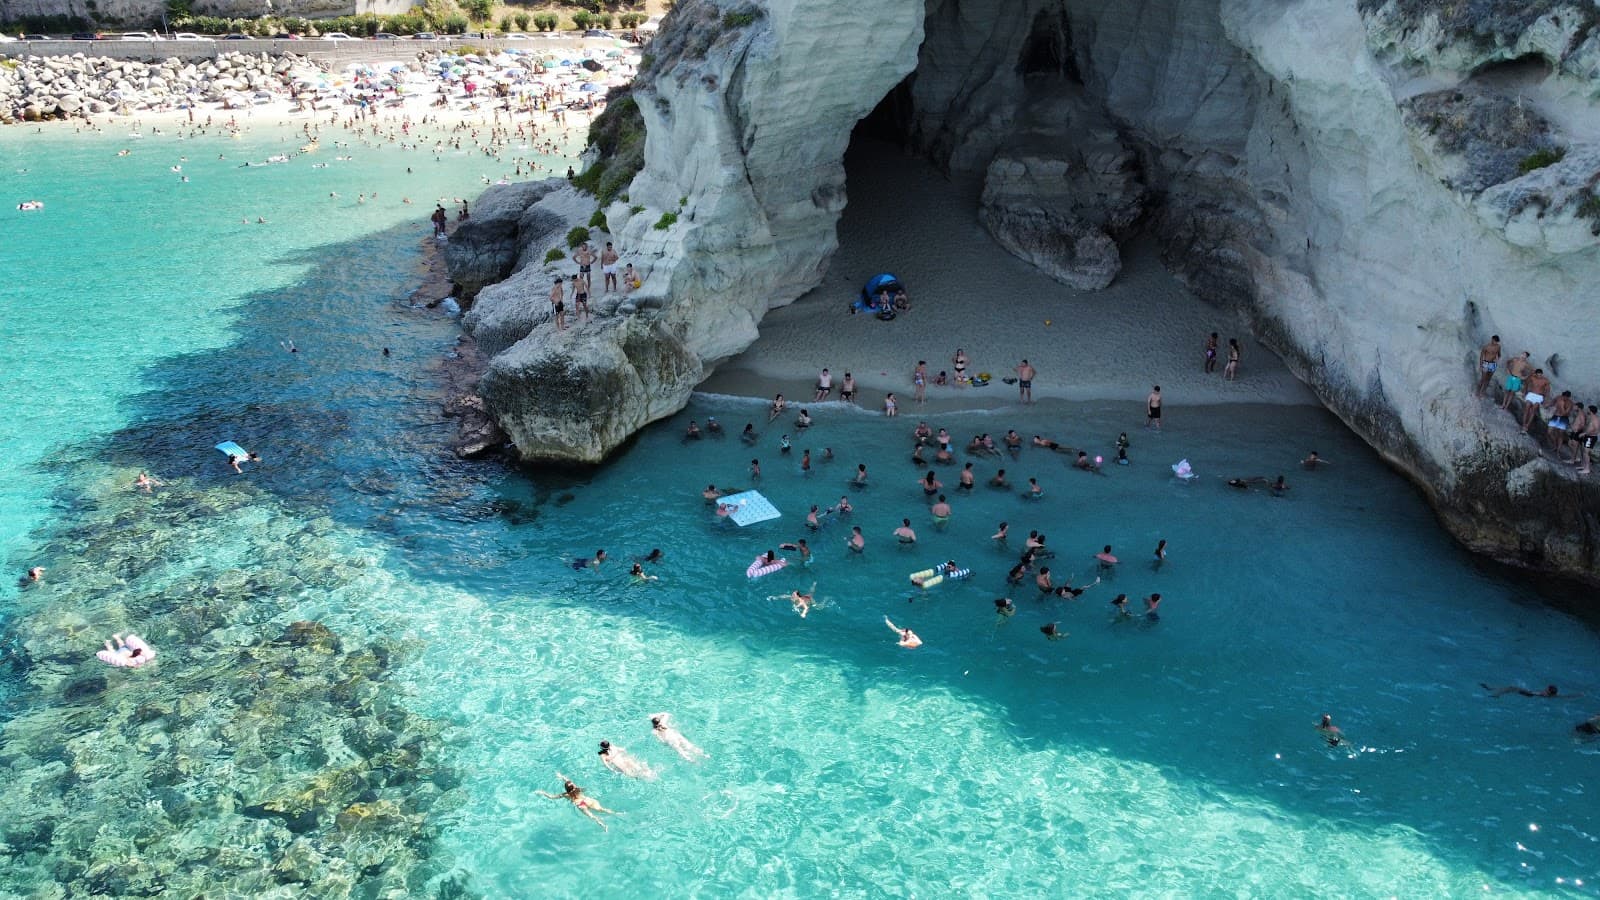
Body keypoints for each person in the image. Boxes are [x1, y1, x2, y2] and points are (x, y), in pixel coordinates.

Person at [537, 777, 621, 830]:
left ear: (567, 790)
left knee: (592, 816)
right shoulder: (578, 789)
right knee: (601, 809)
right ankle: (617, 813)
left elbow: (552, 797)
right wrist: (562, 777)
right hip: (587, 800)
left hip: (581, 805)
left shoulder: (566, 795)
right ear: (573, 786)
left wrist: (542, 792)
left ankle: (603, 826)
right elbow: (570, 781)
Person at [1521, 368, 1552, 432]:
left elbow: (1548, 390)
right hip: (1531, 394)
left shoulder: (1545, 380)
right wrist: (1524, 392)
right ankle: (1523, 424)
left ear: (1542, 374)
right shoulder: (1532, 378)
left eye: (1540, 375)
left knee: (1533, 411)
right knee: (1527, 409)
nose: (1539, 376)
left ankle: (1527, 425)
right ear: (1536, 374)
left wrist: (1545, 399)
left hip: (1539, 396)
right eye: (1538, 374)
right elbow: (1526, 383)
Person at [1480, 683, 1572, 698]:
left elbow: (1536, 694)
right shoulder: (1553, 696)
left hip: (1529, 693)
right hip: (1530, 694)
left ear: (1548, 690)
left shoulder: (1544, 694)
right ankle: (1492, 690)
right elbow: (1564, 696)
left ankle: (1495, 693)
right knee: (1510, 688)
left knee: (1511, 688)